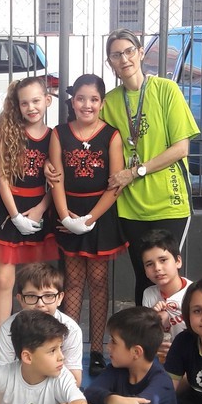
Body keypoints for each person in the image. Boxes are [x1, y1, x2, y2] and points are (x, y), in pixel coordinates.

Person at [99, 28, 199, 301]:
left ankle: (177, 328)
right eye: (116, 55)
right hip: (131, 207)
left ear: (141, 53)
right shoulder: (109, 102)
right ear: (110, 62)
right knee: (144, 278)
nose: (124, 59)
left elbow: (180, 148)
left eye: (129, 51)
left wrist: (135, 172)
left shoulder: (166, 90)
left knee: (167, 276)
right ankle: (146, 329)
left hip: (169, 203)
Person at [49, 74, 126, 377]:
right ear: (72, 101)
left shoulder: (112, 136)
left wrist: (90, 219)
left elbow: (115, 185)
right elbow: (56, 179)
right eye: (81, 98)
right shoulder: (59, 133)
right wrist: (66, 217)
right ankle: (69, 350)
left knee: (98, 282)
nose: (87, 105)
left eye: (93, 99)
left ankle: (96, 350)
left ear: (102, 103)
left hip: (100, 216)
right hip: (68, 213)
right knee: (72, 283)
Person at [0, 77, 59, 330]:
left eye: (36, 101)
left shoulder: (54, 136)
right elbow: (2, 177)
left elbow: (57, 181)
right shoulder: (10, 133)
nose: (31, 107)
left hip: (38, 213)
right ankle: (2, 341)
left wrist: (40, 209)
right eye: (25, 103)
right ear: (18, 105)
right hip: (9, 211)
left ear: (47, 100)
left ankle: (34, 336)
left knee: (35, 283)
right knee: (4, 281)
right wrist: (15, 215)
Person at [0, 263, 83, 386]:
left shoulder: (72, 329)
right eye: (31, 296)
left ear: (60, 298)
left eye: (48, 295)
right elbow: (1, 374)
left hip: (55, 388)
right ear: (20, 299)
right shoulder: (8, 328)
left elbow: (75, 380)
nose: (40, 304)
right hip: (18, 387)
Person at [139, 229, 190, 361]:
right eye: (149, 264)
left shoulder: (195, 292)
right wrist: (152, 318)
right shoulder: (149, 294)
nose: (157, 268)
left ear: (178, 261)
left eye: (163, 260)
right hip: (164, 361)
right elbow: (147, 339)